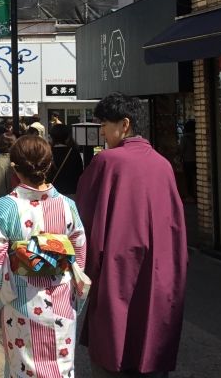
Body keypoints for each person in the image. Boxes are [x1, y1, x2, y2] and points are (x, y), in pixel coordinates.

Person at [76, 93, 187, 378]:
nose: (101, 130)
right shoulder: (162, 164)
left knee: (113, 346)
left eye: (105, 123)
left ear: (124, 124)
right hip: (160, 272)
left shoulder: (109, 162)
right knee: (150, 341)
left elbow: (83, 220)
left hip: (117, 271)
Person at [0, 136, 89, 378]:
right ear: (49, 166)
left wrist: (2, 294)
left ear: (15, 169)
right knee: (61, 369)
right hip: (61, 304)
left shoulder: (2, 209)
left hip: (21, 303)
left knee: (23, 369)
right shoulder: (68, 206)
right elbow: (78, 256)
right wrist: (75, 296)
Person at [48, 123, 85, 196]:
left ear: (52, 137)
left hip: (51, 192)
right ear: (67, 136)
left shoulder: (47, 152)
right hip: (71, 191)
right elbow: (79, 172)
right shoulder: (73, 152)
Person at [179, 119, 196, 199]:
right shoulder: (198, 136)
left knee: (188, 179)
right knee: (196, 178)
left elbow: (181, 150)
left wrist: (179, 158)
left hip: (187, 161)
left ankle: (190, 194)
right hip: (197, 161)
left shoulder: (184, 138)